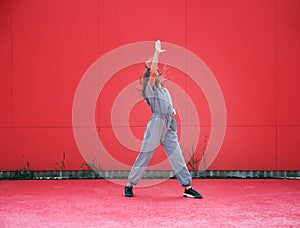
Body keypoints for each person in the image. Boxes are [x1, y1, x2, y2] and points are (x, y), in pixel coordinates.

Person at [124, 40, 202, 199]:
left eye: (158, 72)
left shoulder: (163, 90)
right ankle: (129, 184)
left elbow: (166, 104)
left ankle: (187, 187)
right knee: (145, 155)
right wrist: (157, 53)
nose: (157, 73)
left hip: (168, 125)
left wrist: (172, 110)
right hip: (156, 125)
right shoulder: (150, 90)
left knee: (177, 155)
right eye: (155, 73)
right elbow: (152, 72)